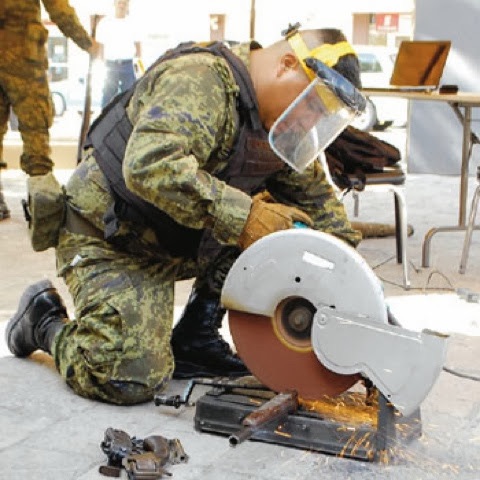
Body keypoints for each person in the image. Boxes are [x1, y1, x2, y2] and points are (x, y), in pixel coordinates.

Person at [6, 25, 363, 406]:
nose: (311, 122)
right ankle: (43, 321)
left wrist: (367, 307)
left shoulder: (281, 130)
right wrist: (245, 217)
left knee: (282, 226)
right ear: (287, 65)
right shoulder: (201, 80)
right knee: (127, 376)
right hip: (109, 237)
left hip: (173, 241)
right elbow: (149, 166)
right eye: (314, 105)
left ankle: (196, 337)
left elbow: (325, 220)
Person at [0, 0, 100, 220]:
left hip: (21, 56)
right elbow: (59, 10)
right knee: (35, 129)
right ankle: (41, 202)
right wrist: (87, 43)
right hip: (23, 59)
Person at [96, 0, 142, 108]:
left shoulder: (133, 23)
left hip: (127, 65)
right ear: (114, 4)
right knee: (107, 98)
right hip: (110, 66)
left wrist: (137, 63)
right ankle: (105, 123)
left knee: (129, 97)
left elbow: (138, 48)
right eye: (120, 2)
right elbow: (100, 48)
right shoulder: (105, 23)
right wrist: (102, 64)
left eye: (125, 3)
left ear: (128, 5)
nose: (122, 5)